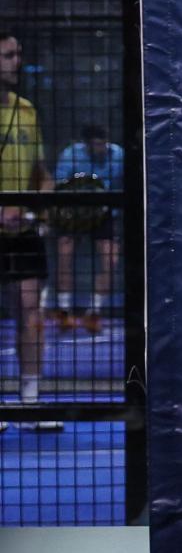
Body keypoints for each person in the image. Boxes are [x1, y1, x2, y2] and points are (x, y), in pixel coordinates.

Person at [0, 32, 52, 418]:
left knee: (31, 310)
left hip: (23, 232)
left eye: (18, 54)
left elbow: (41, 173)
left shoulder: (28, 111)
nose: (16, 61)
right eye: (8, 55)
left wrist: (42, 205)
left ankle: (30, 399)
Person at [49, 124, 124, 334]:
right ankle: (64, 312)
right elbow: (59, 187)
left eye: (103, 144)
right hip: (73, 212)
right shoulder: (70, 155)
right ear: (86, 144)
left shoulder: (119, 155)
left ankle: (94, 313)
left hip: (104, 212)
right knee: (64, 255)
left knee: (110, 260)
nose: (100, 148)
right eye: (95, 145)